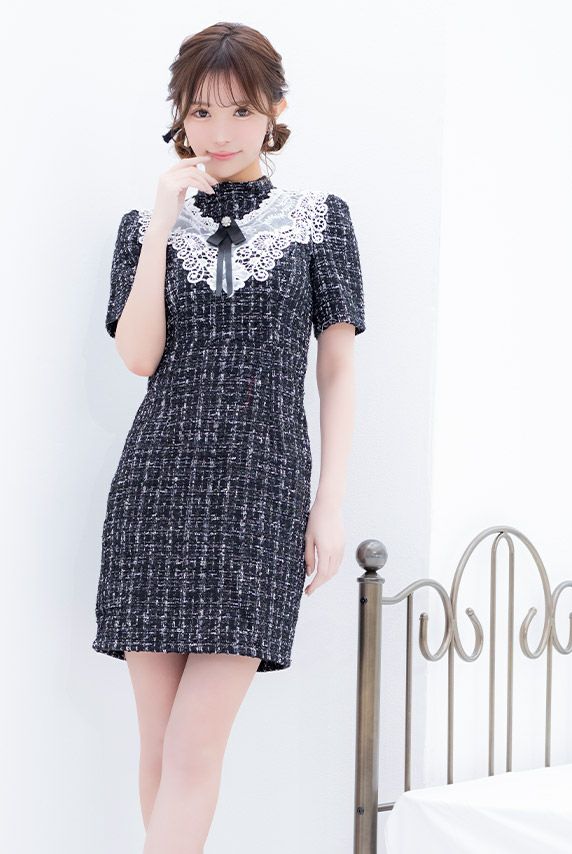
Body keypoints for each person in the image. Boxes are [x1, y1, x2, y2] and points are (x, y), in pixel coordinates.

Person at [92, 21, 366, 853]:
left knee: (194, 746)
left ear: (275, 110)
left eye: (240, 111)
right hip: (154, 493)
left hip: (259, 495)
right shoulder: (144, 227)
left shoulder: (318, 219)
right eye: (201, 111)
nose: (218, 132)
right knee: (157, 746)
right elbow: (139, 356)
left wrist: (327, 506)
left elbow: (337, 370)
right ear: (178, 114)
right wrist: (162, 219)